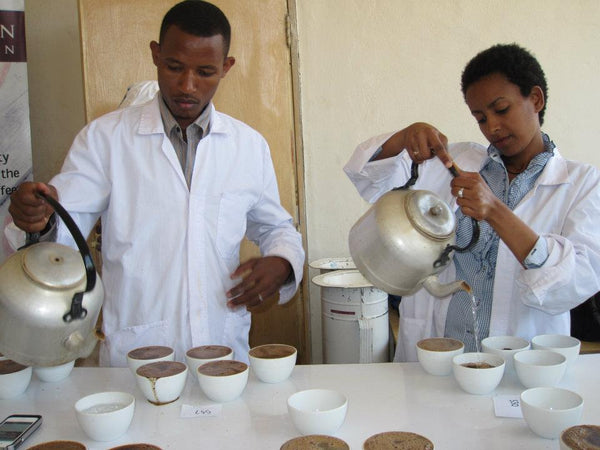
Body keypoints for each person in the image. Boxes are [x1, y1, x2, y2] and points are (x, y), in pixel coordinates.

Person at [6, 0, 304, 367]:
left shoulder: (248, 146)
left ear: (226, 68)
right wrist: (39, 216)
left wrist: (282, 263)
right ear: (155, 55)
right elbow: (62, 233)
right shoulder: (105, 139)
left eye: (206, 72)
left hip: (222, 353)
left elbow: (277, 227)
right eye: (174, 67)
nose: (187, 86)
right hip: (138, 354)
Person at [344, 43, 600, 362]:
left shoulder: (583, 183)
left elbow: (578, 279)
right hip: (437, 357)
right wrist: (405, 136)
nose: (492, 127)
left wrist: (494, 211)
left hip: (520, 365)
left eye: (501, 109)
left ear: (535, 99)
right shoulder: (455, 162)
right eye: (480, 117)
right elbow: (368, 174)